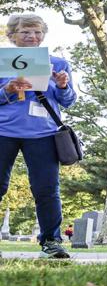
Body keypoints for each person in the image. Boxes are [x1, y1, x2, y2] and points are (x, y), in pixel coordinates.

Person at [0, 14, 75, 259]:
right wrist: (7, 90)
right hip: (3, 133)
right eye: (26, 32)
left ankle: (51, 242)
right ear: (11, 36)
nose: (33, 36)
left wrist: (63, 86)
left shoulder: (59, 63)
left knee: (46, 190)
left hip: (43, 135)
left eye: (38, 32)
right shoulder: (2, 61)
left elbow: (69, 102)